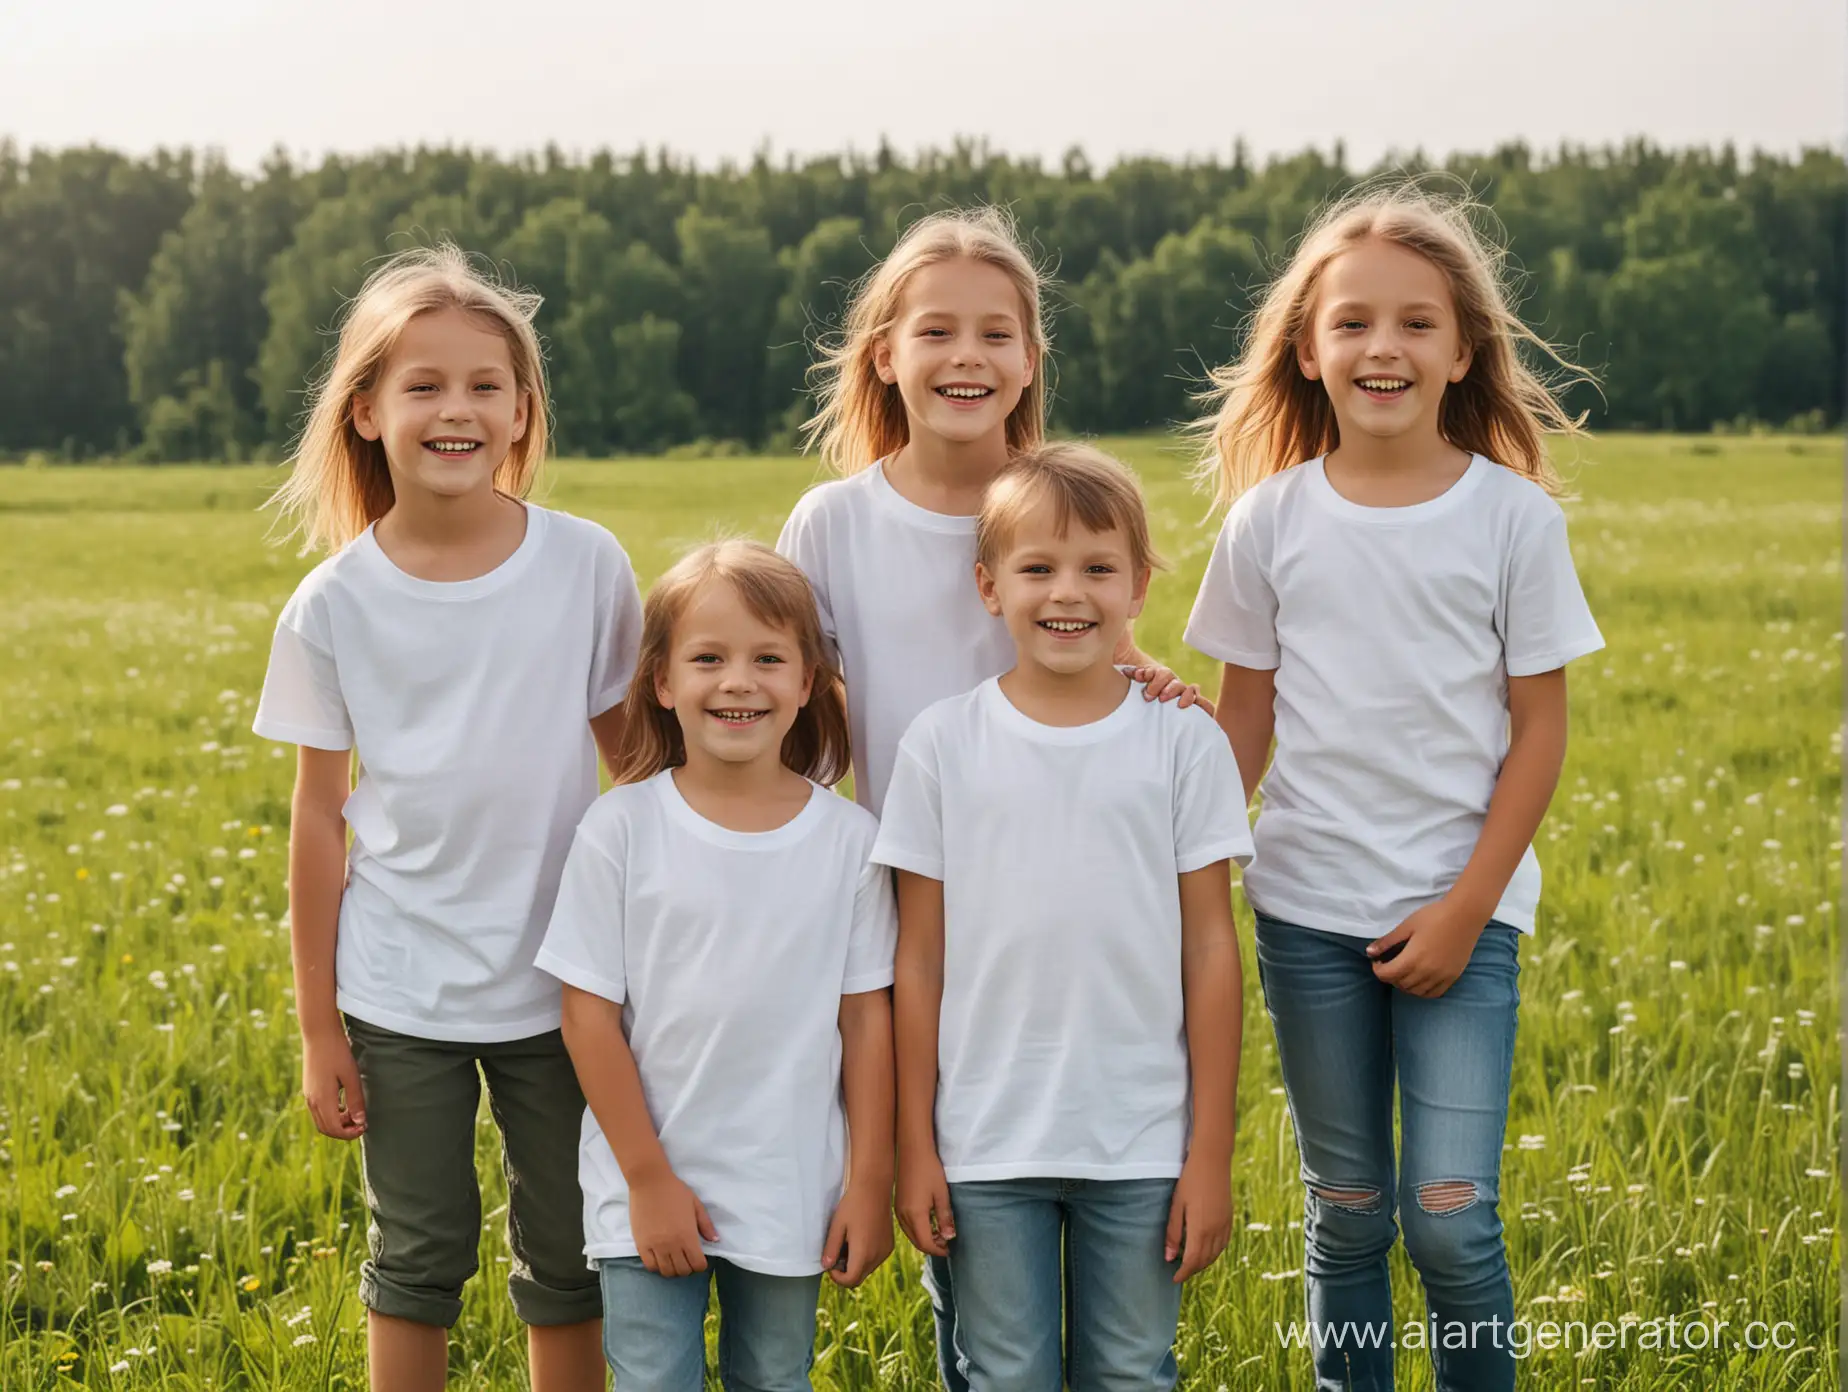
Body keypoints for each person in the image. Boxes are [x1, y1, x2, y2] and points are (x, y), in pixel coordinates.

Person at [1185, 184, 1605, 1392]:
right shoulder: (1268, 521)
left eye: (1418, 323)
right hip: (1307, 911)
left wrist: (1470, 907)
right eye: (1354, 322)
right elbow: (1245, 715)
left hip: (1464, 919)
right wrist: (1186, 854)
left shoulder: (1513, 520)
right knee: (1352, 1211)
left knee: (1449, 1217)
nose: (1385, 347)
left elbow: (1538, 731)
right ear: (1308, 352)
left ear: (1463, 349)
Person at [775, 213, 1199, 1386]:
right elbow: (793, 718)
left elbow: (1096, 649)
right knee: (969, 1229)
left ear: (1029, 360)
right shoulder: (835, 523)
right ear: (886, 356)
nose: (968, 355)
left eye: (997, 333)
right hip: (916, 911)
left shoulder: (1056, 508)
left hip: (1066, 911)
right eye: (939, 330)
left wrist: (1150, 674)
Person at [254, 244, 636, 1392]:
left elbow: (644, 776)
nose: (455, 410)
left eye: (485, 386)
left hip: (562, 983)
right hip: (399, 990)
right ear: (366, 410)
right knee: (415, 1257)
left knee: (569, 1258)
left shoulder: (585, 565)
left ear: (522, 412)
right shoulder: (334, 604)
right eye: (423, 386)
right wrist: (321, 1026)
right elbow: (319, 822)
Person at [876, 443, 1252, 1390]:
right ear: (988, 587)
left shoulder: (1182, 744)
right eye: (1037, 567)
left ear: (1139, 589)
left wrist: (1209, 1154)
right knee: (1004, 1373)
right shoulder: (941, 745)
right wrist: (912, 1145)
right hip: (983, 1139)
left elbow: (1212, 952)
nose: (1067, 593)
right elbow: (915, 961)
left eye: (1098, 568)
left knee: (1131, 1370)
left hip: (1140, 1139)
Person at [537, 540, 897, 1391]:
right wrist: (648, 1180)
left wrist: (868, 1181)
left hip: (790, 1184)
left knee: (775, 1378)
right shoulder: (621, 829)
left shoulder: (849, 841)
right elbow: (587, 1016)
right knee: (653, 1378)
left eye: (768, 659)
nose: (739, 682)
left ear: (808, 681)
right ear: (662, 682)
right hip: (646, 1184)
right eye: (709, 659)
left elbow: (866, 1018)